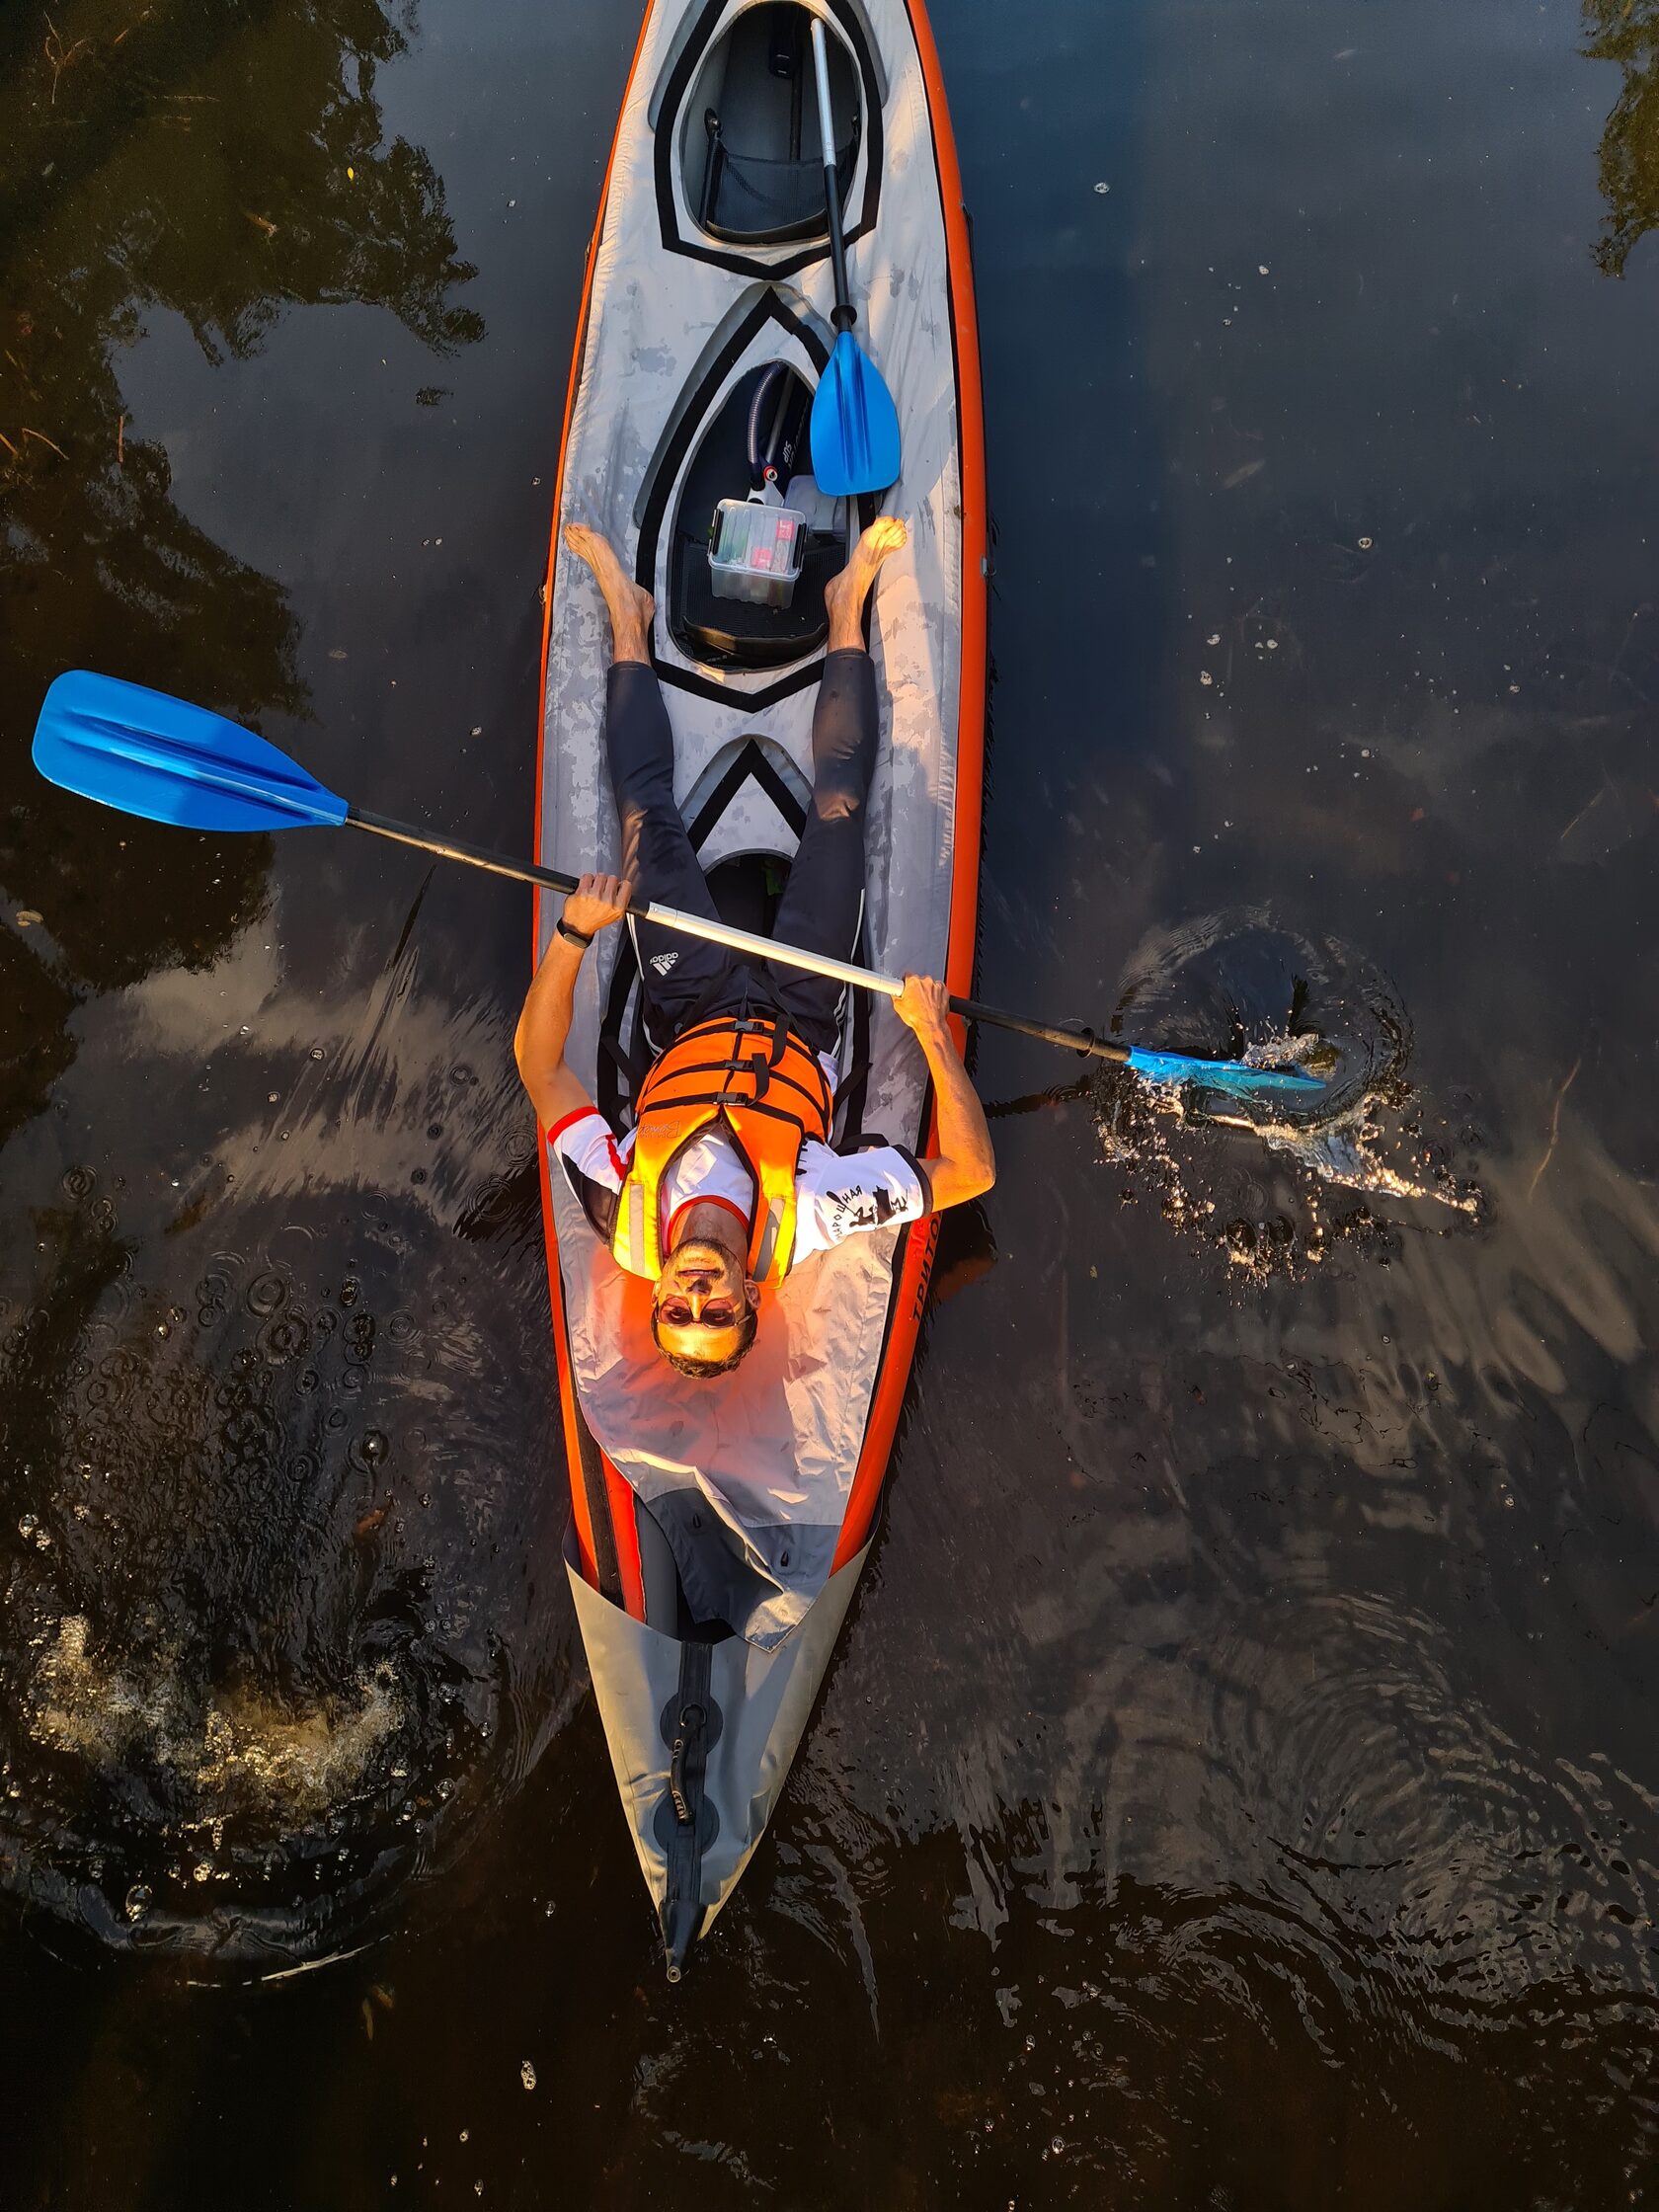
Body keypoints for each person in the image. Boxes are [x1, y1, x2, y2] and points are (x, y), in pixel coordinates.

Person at [514, 516, 994, 1380]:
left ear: (657, 1295)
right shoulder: (811, 1215)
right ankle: (845, 607)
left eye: (677, 1312)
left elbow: (539, 1071)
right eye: (717, 1313)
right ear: (750, 1299)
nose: (695, 1295)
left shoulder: (622, 1212)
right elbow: (968, 1173)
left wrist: (574, 936)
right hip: (801, 1013)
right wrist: (931, 1034)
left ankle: (630, 619)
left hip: (688, 1003)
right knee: (840, 809)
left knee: (645, 815)